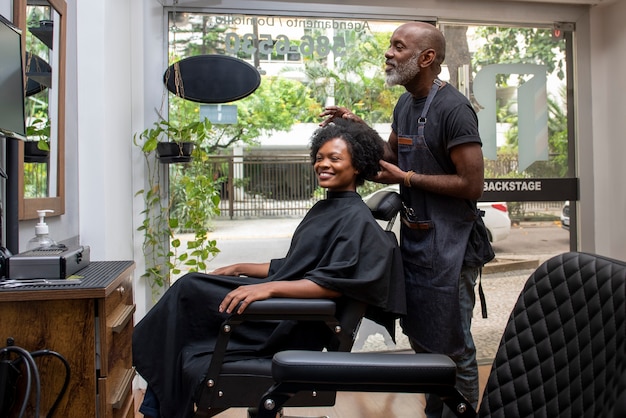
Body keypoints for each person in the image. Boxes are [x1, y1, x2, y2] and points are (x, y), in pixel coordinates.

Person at [132, 118, 406, 418]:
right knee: (191, 293)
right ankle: (159, 409)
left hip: (287, 323)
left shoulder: (357, 220)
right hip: (282, 310)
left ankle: (140, 380)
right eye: (319, 157)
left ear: (358, 166)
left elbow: (332, 284)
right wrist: (241, 267)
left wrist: (267, 288)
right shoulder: (329, 207)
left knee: (188, 291)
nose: (323, 164)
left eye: (334, 158)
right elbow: (294, 266)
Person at [319, 21, 494, 417]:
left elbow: (472, 184)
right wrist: (358, 126)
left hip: (453, 249)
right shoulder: (405, 104)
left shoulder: (454, 109)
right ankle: (435, 411)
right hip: (418, 242)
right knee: (423, 339)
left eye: (398, 47)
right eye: (391, 45)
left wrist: (409, 179)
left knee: (456, 349)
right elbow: (392, 161)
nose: (389, 53)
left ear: (426, 58)